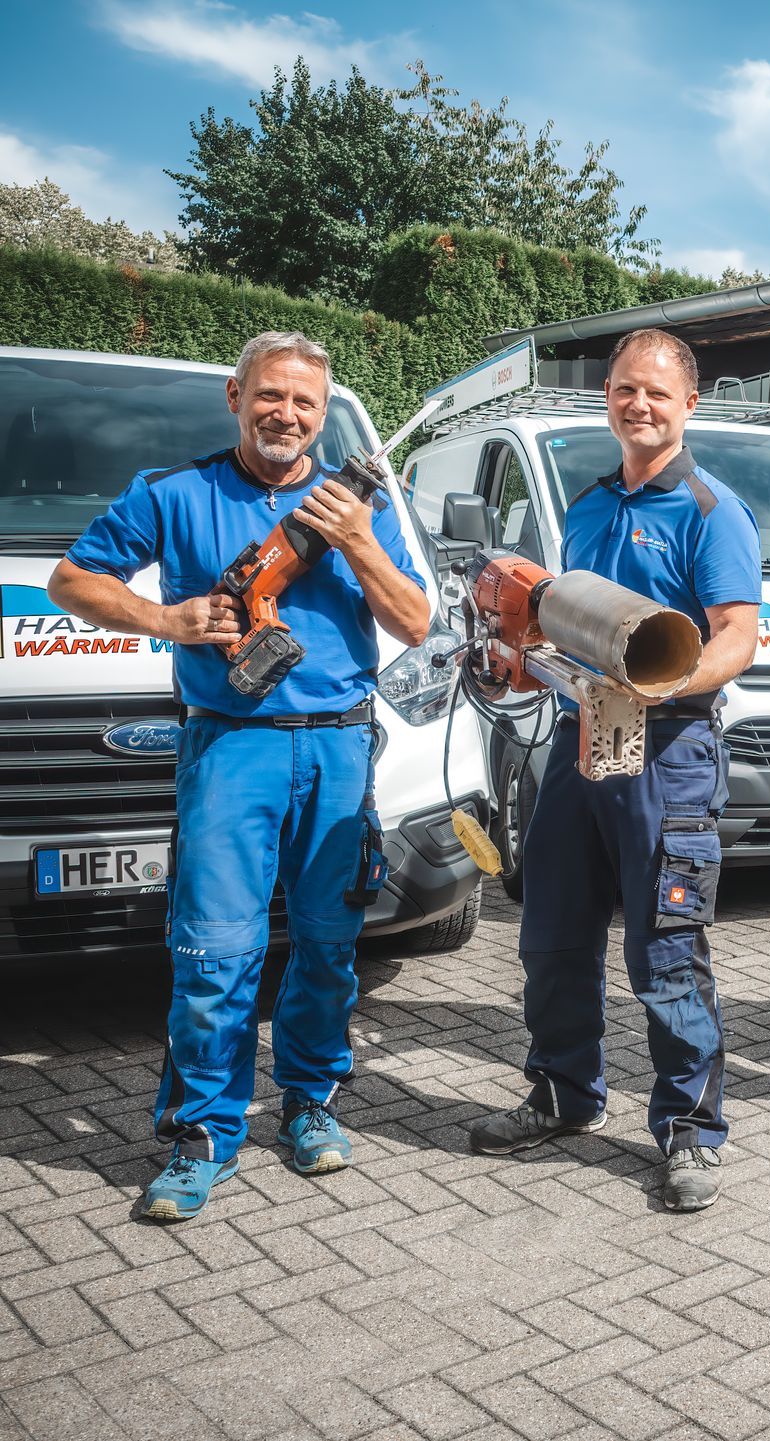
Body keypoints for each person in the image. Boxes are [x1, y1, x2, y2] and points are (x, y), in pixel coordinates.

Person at [49, 331, 431, 1221]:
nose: (286, 415)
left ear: (322, 413)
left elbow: (415, 620)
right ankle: (199, 1135)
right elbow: (73, 579)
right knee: (215, 951)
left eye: (305, 402)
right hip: (231, 747)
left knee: (330, 948)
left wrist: (360, 541)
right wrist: (165, 616)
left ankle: (308, 1104)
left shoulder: (354, 501)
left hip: (337, 748)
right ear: (236, 397)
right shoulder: (174, 493)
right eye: (271, 395)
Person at [467, 328, 760, 1211]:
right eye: (626, 390)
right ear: (607, 399)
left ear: (689, 406)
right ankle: (564, 1091)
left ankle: (689, 1129)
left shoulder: (715, 512)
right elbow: (561, 628)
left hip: (668, 754)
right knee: (553, 935)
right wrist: (514, 657)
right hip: (578, 745)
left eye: (658, 394)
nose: (640, 405)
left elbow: (739, 638)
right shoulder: (589, 508)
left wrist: (662, 677)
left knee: (667, 948)